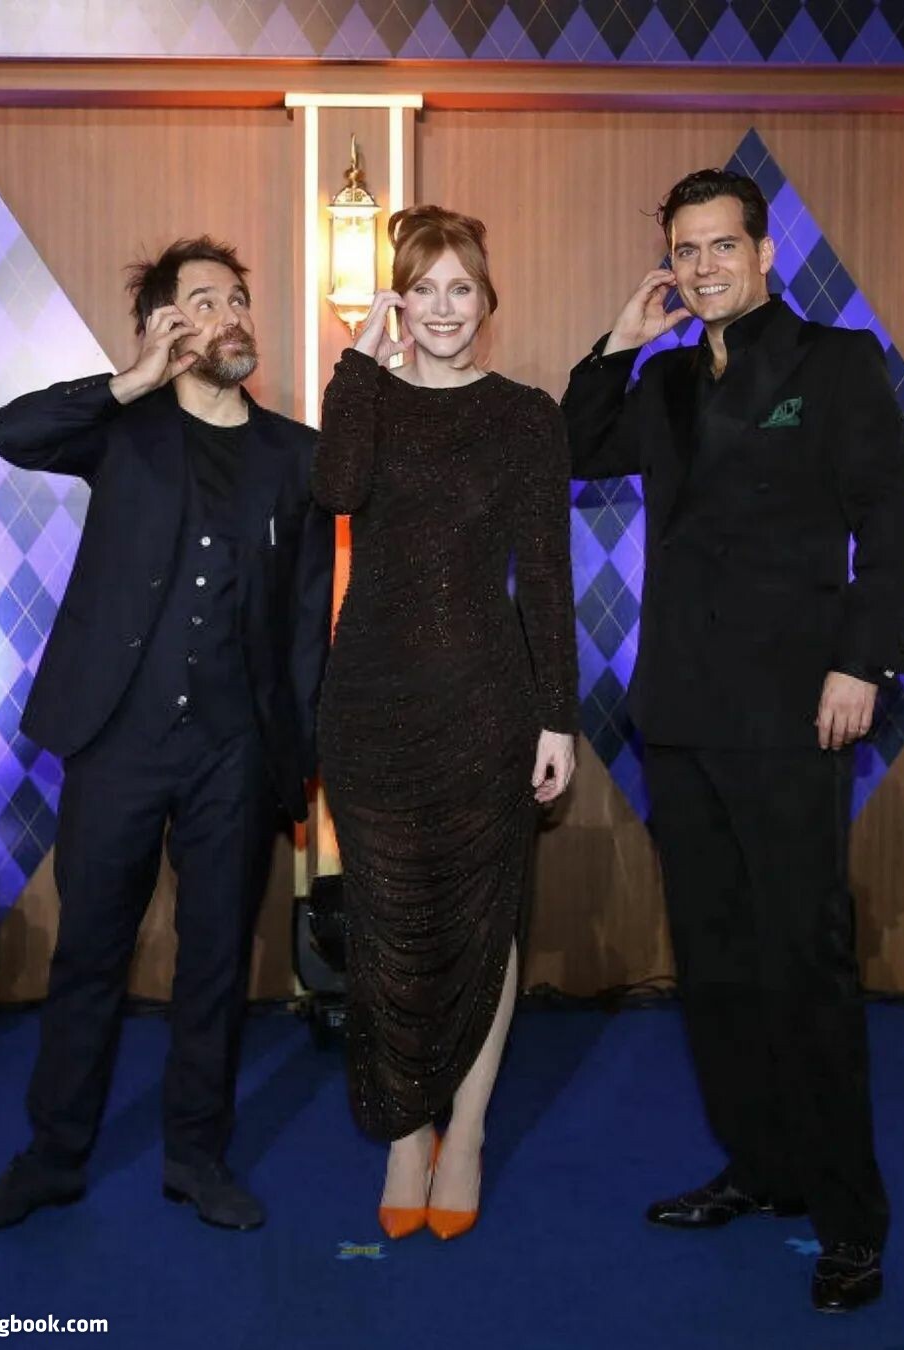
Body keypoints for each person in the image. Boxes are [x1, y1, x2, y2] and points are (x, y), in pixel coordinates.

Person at [563, 169, 904, 1312]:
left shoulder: (835, 364)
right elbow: (571, 447)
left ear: (766, 253)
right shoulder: (664, 382)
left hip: (794, 710)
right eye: (687, 249)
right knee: (714, 962)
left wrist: (863, 662)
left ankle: (849, 1218)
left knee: (803, 961)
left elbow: (890, 518)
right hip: (678, 711)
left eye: (724, 245)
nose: (706, 265)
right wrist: (620, 343)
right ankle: (762, 1168)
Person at [0, 237, 333, 1233]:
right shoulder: (123, 427)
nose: (229, 314)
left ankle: (197, 1158)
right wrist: (130, 379)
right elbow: (11, 431)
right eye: (202, 301)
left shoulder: (296, 456)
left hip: (236, 752)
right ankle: (53, 1158)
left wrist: (296, 761)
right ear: (163, 324)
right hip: (117, 737)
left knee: (216, 963)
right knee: (89, 954)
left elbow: (303, 622)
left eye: (237, 298)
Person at [312, 205, 578, 1241]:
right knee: (386, 924)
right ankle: (402, 1130)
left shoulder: (525, 417)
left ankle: (464, 1130)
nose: (442, 307)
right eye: (422, 288)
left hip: (485, 704)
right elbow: (337, 489)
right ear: (398, 300)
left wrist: (557, 717)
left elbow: (545, 578)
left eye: (460, 287)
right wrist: (358, 361)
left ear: (487, 299)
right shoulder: (367, 397)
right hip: (369, 707)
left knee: (482, 920)